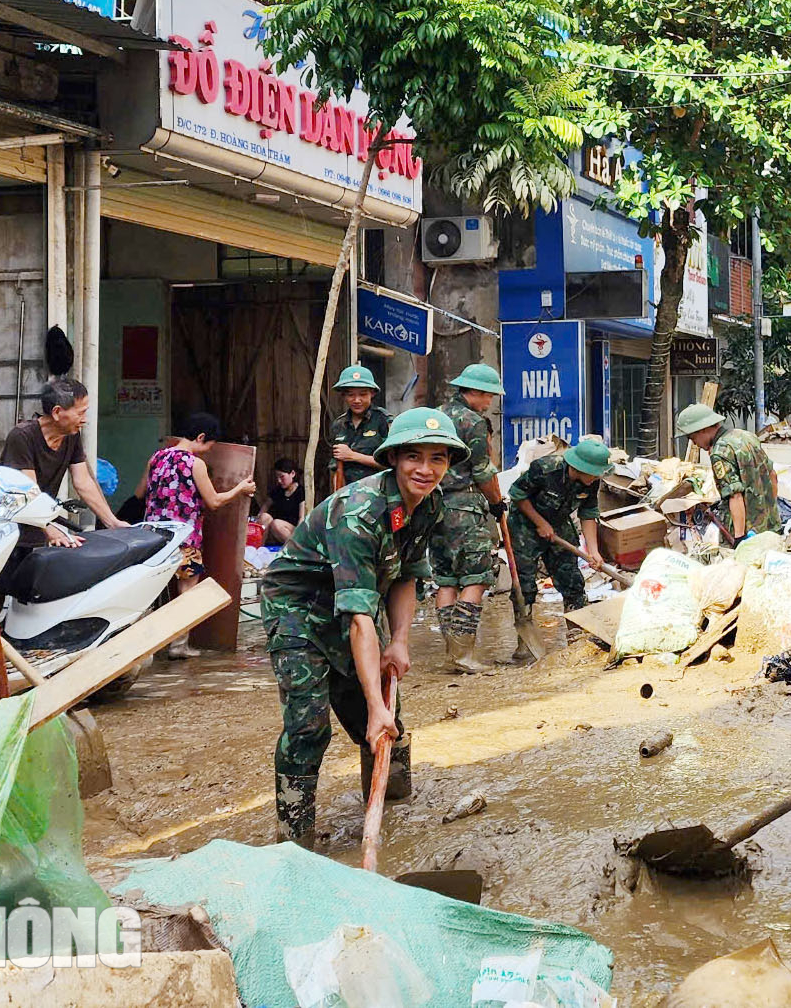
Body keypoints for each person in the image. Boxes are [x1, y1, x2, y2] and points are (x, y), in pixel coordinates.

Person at [261, 408, 464, 849]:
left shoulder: (429, 504)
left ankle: (393, 812)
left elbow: (407, 573)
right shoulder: (360, 512)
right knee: (310, 725)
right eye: (414, 457)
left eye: (437, 458)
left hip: (352, 605)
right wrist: (374, 702)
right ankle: (295, 842)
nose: (425, 470)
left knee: (388, 725)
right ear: (393, 459)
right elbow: (358, 619)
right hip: (299, 611)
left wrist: (400, 641)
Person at [138, 412, 254, 658]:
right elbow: (213, 501)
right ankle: (179, 646)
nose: (208, 451)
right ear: (201, 437)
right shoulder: (194, 463)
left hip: (153, 537)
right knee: (187, 589)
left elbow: (140, 493)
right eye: (209, 445)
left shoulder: (156, 457)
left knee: (150, 590)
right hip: (184, 540)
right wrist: (240, 488)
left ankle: (144, 649)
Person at [431, 363, 507, 673]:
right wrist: (497, 503)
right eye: (488, 396)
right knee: (476, 577)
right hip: (465, 507)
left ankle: (453, 653)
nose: (489, 403)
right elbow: (482, 471)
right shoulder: (473, 422)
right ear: (473, 392)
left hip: (433, 508)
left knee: (446, 579)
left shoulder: (435, 416)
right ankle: (464, 656)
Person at [0, 377, 124, 556]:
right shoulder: (22, 436)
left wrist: (112, 521)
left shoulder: (71, 435)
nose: (84, 420)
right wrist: (49, 528)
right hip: (7, 533)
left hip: (38, 530)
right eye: (80, 413)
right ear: (57, 412)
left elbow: (83, 481)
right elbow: (27, 490)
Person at [509, 440, 611, 614]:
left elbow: (588, 513)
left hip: (559, 522)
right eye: (593, 474)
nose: (596, 478)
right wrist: (541, 524)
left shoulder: (592, 482)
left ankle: (577, 624)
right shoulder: (545, 469)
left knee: (571, 578)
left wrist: (593, 551)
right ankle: (524, 622)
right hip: (524, 523)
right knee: (524, 579)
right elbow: (517, 495)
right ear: (579, 468)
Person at [677, 403, 778, 540]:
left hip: (749, 530)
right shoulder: (746, 436)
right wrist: (772, 510)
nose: (695, 444)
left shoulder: (720, 452)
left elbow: (735, 496)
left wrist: (739, 537)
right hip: (770, 525)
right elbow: (772, 475)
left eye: (693, 438)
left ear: (703, 430)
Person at [330, 365, 392, 489]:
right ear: (344, 396)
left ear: (372, 394)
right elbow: (335, 468)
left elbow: (392, 464)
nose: (357, 400)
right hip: (349, 496)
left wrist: (352, 456)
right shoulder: (339, 425)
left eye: (363, 394)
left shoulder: (383, 421)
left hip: (379, 493)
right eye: (351, 395)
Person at [255, 457, 305, 547]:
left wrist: (300, 535)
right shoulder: (278, 490)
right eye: (277, 477)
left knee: (276, 524)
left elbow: (302, 518)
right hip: (275, 531)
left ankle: (298, 548)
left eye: (282, 477)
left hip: (293, 532)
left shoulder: (300, 492)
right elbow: (264, 508)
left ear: (292, 474)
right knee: (265, 517)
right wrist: (259, 519)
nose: (279, 480)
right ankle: (258, 549)